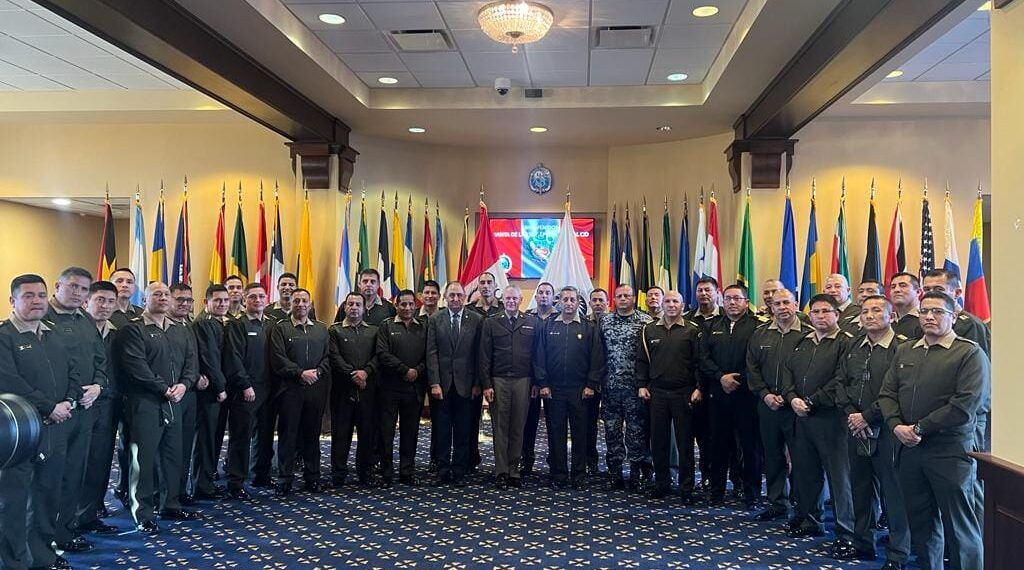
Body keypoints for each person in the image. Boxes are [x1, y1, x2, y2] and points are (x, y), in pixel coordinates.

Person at [878, 291, 989, 570]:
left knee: (960, 529)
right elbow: (887, 394)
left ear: (954, 316)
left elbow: (964, 406)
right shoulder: (906, 350)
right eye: (924, 311)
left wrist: (919, 428)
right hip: (909, 450)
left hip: (950, 451)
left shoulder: (969, 353)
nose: (929, 316)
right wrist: (896, 425)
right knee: (922, 525)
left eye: (938, 311)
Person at [0, 274, 80, 570]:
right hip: (18, 434)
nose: (37, 301)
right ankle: (15, 562)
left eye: (41, 295)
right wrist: (49, 407)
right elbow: (9, 381)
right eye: (29, 295)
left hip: (55, 428)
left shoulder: (53, 333)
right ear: (13, 300)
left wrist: (69, 401)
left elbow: (73, 371)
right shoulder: (4, 336)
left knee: (47, 494)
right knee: (15, 500)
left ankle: (42, 556)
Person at [833, 295, 911, 567]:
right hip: (855, 428)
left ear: (891, 316)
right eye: (865, 311)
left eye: (877, 310)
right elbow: (840, 382)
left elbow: (899, 391)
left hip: (888, 430)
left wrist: (867, 416)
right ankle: (863, 543)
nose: (869, 315)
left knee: (894, 493)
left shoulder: (902, 348)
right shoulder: (854, 345)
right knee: (860, 488)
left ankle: (898, 554)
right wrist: (852, 415)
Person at [116, 282, 200, 535]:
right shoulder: (133, 329)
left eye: (166, 294)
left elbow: (191, 364)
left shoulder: (180, 330)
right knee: (143, 460)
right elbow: (136, 367)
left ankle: (170, 504)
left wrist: (184, 385)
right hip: (146, 402)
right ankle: (142, 513)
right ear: (144, 300)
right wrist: (164, 389)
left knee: (172, 456)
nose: (163, 298)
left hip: (175, 401)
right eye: (157, 294)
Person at [781, 294, 855, 549]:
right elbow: (788, 373)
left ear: (837, 314)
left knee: (839, 478)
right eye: (816, 312)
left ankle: (846, 532)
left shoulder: (846, 342)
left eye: (826, 311)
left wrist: (811, 401)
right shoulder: (803, 341)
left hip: (832, 420)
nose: (820, 316)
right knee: (807, 472)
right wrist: (792, 398)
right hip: (802, 417)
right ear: (809, 315)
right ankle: (811, 520)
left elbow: (841, 380)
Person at [46, 267, 109, 555]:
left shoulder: (85, 319)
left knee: (75, 473)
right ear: (57, 286)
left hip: (85, 409)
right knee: (50, 478)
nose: (78, 293)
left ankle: (65, 532)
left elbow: (100, 359)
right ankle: (45, 539)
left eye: (84, 289)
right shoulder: (42, 318)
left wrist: (98, 385)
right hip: (55, 413)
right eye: (73, 286)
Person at [746, 288, 812, 523]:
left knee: (801, 459)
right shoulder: (760, 334)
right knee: (772, 457)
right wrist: (765, 395)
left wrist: (791, 396)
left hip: (797, 407)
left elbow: (811, 372)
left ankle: (802, 505)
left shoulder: (809, 335)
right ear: (770, 308)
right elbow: (752, 368)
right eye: (777, 304)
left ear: (795, 304)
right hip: (768, 406)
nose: (782, 307)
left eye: (786, 302)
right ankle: (777, 503)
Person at [697, 283, 764, 508]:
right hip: (718, 395)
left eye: (737, 298)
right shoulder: (711, 325)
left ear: (746, 302)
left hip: (747, 396)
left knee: (750, 447)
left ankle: (751, 494)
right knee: (718, 445)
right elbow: (703, 358)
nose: (732, 303)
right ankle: (716, 492)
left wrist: (737, 380)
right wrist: (721, 377)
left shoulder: (757, 327)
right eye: (728, 299)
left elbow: (757, 361)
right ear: (722, 301)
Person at [533, 286, 604, 489]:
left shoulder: (588, 327)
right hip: (554, 390)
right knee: (556, 433)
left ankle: (579, 475)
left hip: (580, 390)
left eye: (573, 299)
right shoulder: (548, 326)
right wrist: (543, 383)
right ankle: (558, 475)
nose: (569, 303)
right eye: (565, 299)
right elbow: (539, 356)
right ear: (559, 302)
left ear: (578, 303)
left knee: (580, 433)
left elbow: (597, 357)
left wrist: (591, 384)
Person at [637, 291, 701, 502]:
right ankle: (661, 483)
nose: (671, 305)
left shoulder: (692, 330)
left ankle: (686, 488)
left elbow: (699, 362)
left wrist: (699, 387)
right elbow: (642, 361)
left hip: (684, 392)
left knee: (685, 443)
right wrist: (641, 385)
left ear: (682, 305)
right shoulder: (649, 329)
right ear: (662, 304)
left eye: (675, 301)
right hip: (657, 393)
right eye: (668, 301)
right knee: (659, 441)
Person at [269, 288, 330, 496]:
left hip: (315, 389)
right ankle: (285, 478)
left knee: (312, 435)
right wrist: (300, 373)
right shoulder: (281, 328)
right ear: (290, 304)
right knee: (288, 435)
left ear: (310, 304)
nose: (301, 304)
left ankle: (313, 477)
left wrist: (317, 372)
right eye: (296, 301)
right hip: (290, 390)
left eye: (304, 301)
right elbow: (278, 358)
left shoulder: (321, 329)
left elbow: (328, 356)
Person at [480, 285, 539, 489]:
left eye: (515, 298)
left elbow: (537, 355)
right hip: (499, 380)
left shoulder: (531, 322)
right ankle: (501, 471)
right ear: (502, 300)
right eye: (508, 298)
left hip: (524, 380)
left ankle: (514, 471)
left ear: (521, 300)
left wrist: (536, 382)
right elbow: (484, 356)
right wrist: (486, 384)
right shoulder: (491, 322)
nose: (511, 301)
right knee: (500, 427)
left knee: (518, 427)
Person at [76, 281, 122, 536]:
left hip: (108, 402)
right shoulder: (76, 329)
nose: (105, 306)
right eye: (100, 300)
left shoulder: (117, 332)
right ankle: (67, 520)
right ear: (87, 302)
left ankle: (90, 514)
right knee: (76, 464)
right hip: (80, 404)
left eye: (110, 301)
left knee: (100, 461)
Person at [426, 282, 483, 487]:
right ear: (445, 297)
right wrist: (434, 383)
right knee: (441, 430)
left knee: (463, 430)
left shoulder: (476, 320)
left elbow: (480, 355)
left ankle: (459, 471)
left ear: (465, 297)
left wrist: (478, 383)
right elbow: (431, 353)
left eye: (459, 295)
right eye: (452, 295)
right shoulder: (435, 319)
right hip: (442, 385)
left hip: (466, 386)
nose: (456, 299)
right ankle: (442, 470)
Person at [222, 282, 274, 499]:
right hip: (246, 389)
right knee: (241, 436)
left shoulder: (271, 324)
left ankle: (261, 474)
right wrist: (245, 385)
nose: (258, 300)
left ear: (267, 299)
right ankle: (236, 481)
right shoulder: (237, 325)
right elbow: (233, 357)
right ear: (245, 300)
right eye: (253, 297)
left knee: (265, 435)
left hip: (269, 388)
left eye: (261, 296)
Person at [599, 284, 654, 491]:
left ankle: (636, 475)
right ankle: (615, 474)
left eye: (627, 295)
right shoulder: (605, 321)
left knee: (636, 433)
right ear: (614, 299)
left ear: (634, 298)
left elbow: (650, 356)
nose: (623, 299)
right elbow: (599, 352)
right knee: (611, 432)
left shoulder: (645, 322)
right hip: (611, 389)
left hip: (635, 389)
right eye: (619, 296)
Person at [375, 290, 428, 487]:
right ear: (396, 306)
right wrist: (405, 370)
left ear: (416, 306)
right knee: (386, 432)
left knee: (410, 432)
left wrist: (417, 370)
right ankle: (386, 473)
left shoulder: (423, 327)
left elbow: (429, 354)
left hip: (414, 388)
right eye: (403, 304)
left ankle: (407, 472)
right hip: (389, 388)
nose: (407, 308)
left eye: (410, 304)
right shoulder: (386, 326)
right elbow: (382, 354)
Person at [327, 292, 379, 487]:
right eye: (351, 304)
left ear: (364, 308)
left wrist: (366, 372)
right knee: (341, 434)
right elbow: (334, 356)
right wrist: (353, 375)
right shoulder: (335, 330)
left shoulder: (374, 331)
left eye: (358, 304)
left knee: (367, 433)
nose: (354, 307)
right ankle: (338, 473)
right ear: (345, 307)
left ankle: (366, 472)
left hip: (368, 390)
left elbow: (379, 355)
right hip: (343, 390)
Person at [190, 284, 230, 501]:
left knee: (214, 437)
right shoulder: (204, 323)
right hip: (209, 391)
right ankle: (202, 486)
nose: (222, 304)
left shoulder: (219, 322)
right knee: (205, 439)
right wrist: (220, 387)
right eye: (217, 300)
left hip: (216, 388)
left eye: (225, 300)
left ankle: (207, 481)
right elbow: (210, 358)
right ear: (206, 302)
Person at [683, 277, 722, 493]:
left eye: (708, 290)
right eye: (700, 290)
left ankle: (729, 480)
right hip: (692, 389)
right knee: (699, 435)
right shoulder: (687, 320)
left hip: (719, 387)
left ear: (717, 293)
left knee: (721, 437)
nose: (704, 294)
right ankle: (705, 476)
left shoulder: (726, 318)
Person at [167, 283, 201, 503]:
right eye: (180, 299)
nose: (185, 304)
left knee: (185, 445)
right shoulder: (162, 326)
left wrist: (193, 379)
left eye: (189, 300)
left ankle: (179, 491)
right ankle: (166, 496)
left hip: (189, 392)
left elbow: (192, 359)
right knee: (168, 449)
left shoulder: (187, 325)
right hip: (169, 394)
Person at [466, 271, 503, 471]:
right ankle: (471, 459)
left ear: (495, 286)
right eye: (482, 282)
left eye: (489, 282)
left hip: (498, 374)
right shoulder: (469, 310)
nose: (486, 286)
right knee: (471, 419)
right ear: (478, 286)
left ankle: (502, 464)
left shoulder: (504, 308)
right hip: (472, 373)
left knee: (501, 421)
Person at [522, 281, 558, 478]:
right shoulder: (527, 318)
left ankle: (555, 462)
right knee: (528, 424)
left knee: (554, 425)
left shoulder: (560, 318)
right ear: (535, 297)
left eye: (547, 293)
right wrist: (535, 381)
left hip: (554, 382)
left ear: (554, 298)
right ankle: (526, 461)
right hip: (531, 382)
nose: (544, 296)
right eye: (541, 292)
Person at [584, 288, 609, 475]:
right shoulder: (583, 323)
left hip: (611, 382)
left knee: (612, 425)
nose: (598, 303)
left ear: (607, 302)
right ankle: (590, 461)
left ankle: (614, 465)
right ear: (590, 303)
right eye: (594, 300)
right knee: (589, 424)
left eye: (601, 300)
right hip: (590, 382)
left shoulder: (614, 322)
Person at [889, 272, 923, 339]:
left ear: (918, 292)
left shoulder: (926, 319)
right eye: (893, 287)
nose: (896, 290)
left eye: (903, 285)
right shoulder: (886, 320)